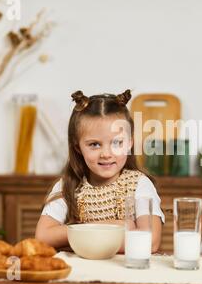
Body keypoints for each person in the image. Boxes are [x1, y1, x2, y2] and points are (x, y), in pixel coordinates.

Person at [35, 89, 164, 252]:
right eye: (94, 144)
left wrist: (79, 234)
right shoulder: (68, 185)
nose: (106, 154)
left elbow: (150, 241)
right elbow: (43, 237)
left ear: (130, 142)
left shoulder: (139, 185)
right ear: (78, 147)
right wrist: (112, 228)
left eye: (117, 143)